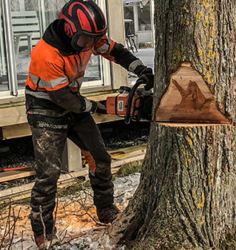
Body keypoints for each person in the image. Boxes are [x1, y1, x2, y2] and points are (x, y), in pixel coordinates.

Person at [25, 0, 154, 248]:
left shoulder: (89, 38)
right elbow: (61, 97)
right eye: (86, 39)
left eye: (94, 38)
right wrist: (96, 106)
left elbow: (115, 51)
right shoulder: (46, 54)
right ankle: (43, 232)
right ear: (69, 30)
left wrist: (141, 69)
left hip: (72, 99)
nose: (90, 44)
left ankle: (105, 208)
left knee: (100, 157)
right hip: (44, 108)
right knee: (49, 173)